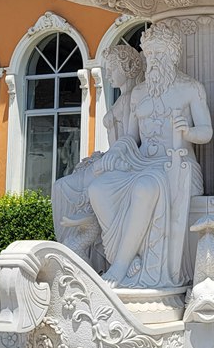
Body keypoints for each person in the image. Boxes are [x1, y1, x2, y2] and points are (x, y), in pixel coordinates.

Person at [88, 21, 212, 287]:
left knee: (145, 188)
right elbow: (131, 137)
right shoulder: (139, 93)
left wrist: (188, 131)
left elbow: (206, 132)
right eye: (149, 54)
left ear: (173, 55)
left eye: (159, 54)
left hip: (176, 165)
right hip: (142, 162)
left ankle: (120, 266)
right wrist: (118, 150)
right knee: (98, 188)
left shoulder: (190, 88)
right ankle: (124, 255)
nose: (153, 60)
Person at [52, 40, 145, 267]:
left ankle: (81, 245)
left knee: (65, 186)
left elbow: (132, 138)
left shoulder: (136, 97)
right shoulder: (122, 99)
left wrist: (111, 157)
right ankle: (69, 246)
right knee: (61, 186)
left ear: (128, 68)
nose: (109, 74)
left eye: (113, 68)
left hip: (125, 160)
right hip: (112, 158)